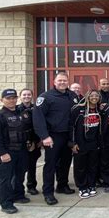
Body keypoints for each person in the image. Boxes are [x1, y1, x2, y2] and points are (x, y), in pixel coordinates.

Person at [33, 72, 78, 205]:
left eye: (65, 80)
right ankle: (48, 192)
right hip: (52, 136)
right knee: (50, 165)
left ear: (68, 82)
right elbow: (38, 118)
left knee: (65, 162)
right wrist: (44, 136)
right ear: (54, 81)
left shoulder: (73, 96)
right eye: (60, 80)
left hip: (68, 135)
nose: (62, 82)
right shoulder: (45, 97)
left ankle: (62, 185)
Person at [0, 89, 31, 214]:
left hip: (21, 150)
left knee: (20, 175)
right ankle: (6, 204)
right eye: (8, 98)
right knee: (5, 180)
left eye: (13, 98)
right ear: (2, 100)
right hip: (7, 153)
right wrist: (2, 153)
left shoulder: (21, 113)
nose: (12, 100)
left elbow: (25, 130)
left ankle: (18, 195)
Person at [69, 90, 102, 199]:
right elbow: (71, 127)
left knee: (92, 166)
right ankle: (82, 187)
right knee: (80, 167)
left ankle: (91, 185)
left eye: (96, 96)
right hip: (80, 143)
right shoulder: (78, 109)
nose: (94, 97)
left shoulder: (99, 110)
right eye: (92, 95)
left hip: (94, 143)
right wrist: (73, 143)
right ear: (87, 97)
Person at [18, 89, 41, 196]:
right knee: (20, 168)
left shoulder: (36, 109)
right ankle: (18, 189)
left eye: (29, 94)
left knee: (32, 167)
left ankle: (31, 186)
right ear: (20, 96)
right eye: (24, 95)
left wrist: (38, 141)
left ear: (32, 96)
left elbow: (39, 126)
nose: (26, 96)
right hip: (21, 143)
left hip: (34, 142)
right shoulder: (16, 110)